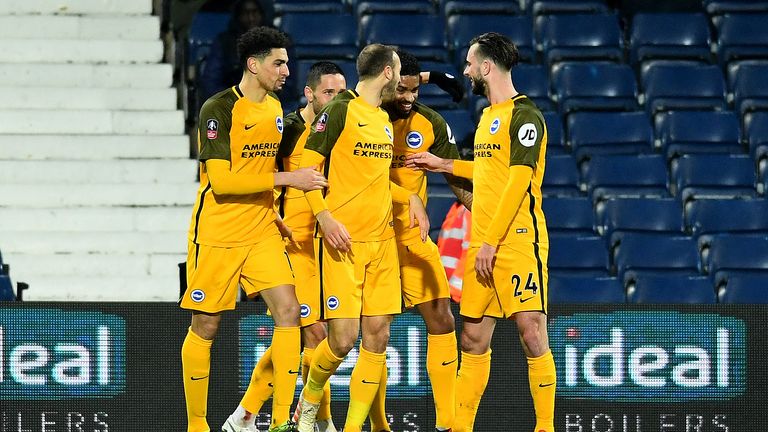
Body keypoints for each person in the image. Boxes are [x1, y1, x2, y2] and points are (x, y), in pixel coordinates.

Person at [406, 32, 557, 432]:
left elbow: (517, 183)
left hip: (518, 240)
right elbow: (491, 173)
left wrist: (491, 242)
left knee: (531, 332)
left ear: (487, 67)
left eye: (471, 64)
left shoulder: (526, 117)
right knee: (472, 339)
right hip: (482, 244)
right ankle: (461, 427)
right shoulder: (488, 117)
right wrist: (444, 166)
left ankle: (545, 426)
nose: (466, 71)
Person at [180, 26, 328, 432]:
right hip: (218, 233)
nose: (286, 70)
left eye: (286, 62)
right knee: (205, 326)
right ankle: (197, 423)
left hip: (262, 229)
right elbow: (223, 182)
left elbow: (260, 170)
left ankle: (280, 420)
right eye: (278, 63)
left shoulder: (277, 108)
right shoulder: (219, 109)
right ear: (254, 64)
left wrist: (274, 212)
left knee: (289, 313)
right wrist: (287, 182)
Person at [291, 44, 429, 432]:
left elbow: (377, 179)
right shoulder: (340, 110)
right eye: (398, 72)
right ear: (387, 73)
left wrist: (411, 197)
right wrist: (325, 219)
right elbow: (306, 167)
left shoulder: (384, 119)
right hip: (343, 243)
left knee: (378, 337)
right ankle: (309, 399)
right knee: (342, 339)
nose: (401, 81)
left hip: (382, 243)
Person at [222, 61, 347, 432]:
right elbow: (262, 176)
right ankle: (318, 420)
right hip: (293, 246)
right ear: (309, 94)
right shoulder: (289, 129)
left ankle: (244, 415)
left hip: (328, 247)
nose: (337, 100)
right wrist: (273, 221)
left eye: (342, 93)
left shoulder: (341, 128)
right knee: (314, 335)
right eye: (329, 93)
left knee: (303, 338)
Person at [365, 49, 473, 432]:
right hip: (370, 240)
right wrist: (432, 75)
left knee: (442, 318)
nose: (409, 98)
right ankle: (377, 424)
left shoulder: (430, 123)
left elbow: (456, 181)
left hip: (413, 238)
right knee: (373, 333)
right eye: (402, 89)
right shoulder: (362, 118)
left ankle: (447, 423)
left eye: (415, 90)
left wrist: (481, 209)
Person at [198, 0, 271, 103]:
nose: (251, 18)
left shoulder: (278, 42)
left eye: (255, 12)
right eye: (245, 13)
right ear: (238, 16)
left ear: (262, 14)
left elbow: (287, 84)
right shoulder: (224, 42)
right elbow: (211, 81)